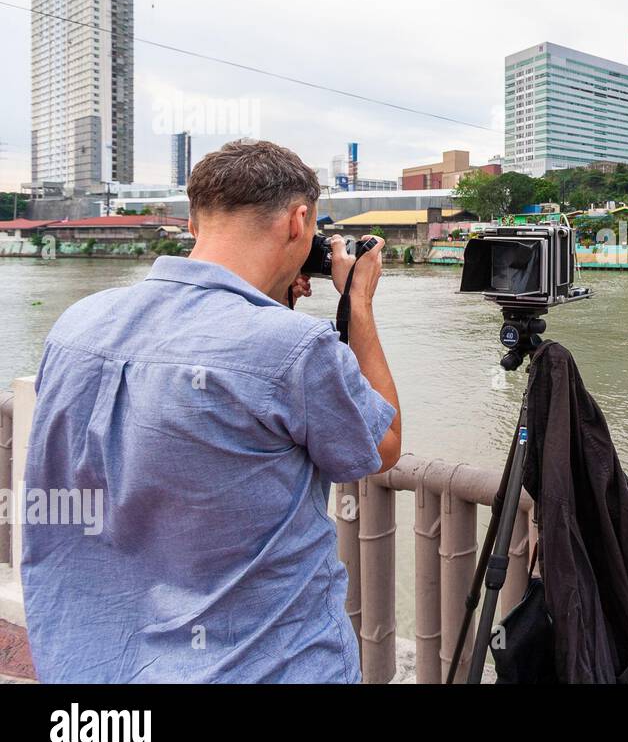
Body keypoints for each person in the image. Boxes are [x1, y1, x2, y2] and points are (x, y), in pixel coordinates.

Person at [21, 140, 401, 683]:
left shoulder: (78, 325)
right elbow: (382, 444)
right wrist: (357, 304)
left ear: (196, 221)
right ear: (299, 221)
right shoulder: (292, 348)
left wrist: (273, 304)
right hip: (259, 667)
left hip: (90, 669)